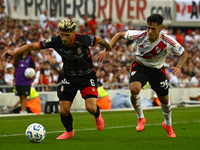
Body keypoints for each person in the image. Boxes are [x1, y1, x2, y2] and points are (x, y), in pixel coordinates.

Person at [1, 19, 112, 139]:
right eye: (62, 34)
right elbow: (32, 46)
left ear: (73, 32)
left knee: (90, 107)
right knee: (64, 110)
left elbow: (100, 39)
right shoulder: (56, 41)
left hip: (86, 75)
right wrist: (14, 53)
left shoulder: (83, 39)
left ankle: (97, 114)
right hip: (68, 76)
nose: (64, 38)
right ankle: (69, 132)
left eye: (67, 35)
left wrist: (107, 49)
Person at [97, 14, 188, 137]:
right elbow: (119, 35)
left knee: (164, 100)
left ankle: (168, 124)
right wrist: (107, 49)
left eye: (153, 28)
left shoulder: (167, 40)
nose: (149, 31)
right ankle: (141, 118)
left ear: (160, 29)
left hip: (157, 71)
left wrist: (178, 66)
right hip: (140, 67)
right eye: (148, 27)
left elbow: (184, 54)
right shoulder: (140, 35)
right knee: (134, 89)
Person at [13, 44, 36, 115]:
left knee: (24, 96)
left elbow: (34, 69)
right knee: (20, 95)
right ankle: (22, 110)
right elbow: (15, 69)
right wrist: (14, 78)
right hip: (18, 80)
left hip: (26, 81)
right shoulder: (17, 58)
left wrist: (33, 76)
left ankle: (24, 111)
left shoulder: (31, 58)